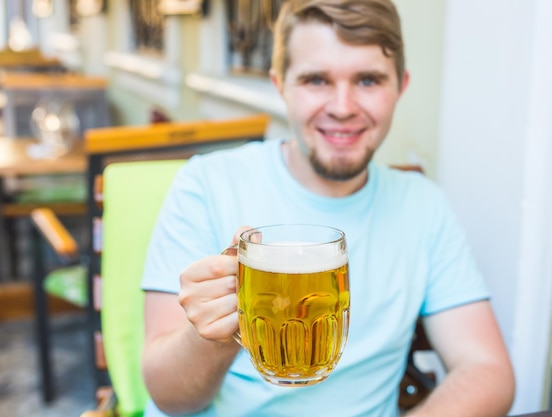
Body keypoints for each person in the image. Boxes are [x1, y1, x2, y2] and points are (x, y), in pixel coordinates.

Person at [140, 0, 515, 416]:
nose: (342, 106)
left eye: (368, 80)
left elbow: (486, 369)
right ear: (280, 84)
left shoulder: (423, 204)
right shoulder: (206, 184)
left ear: (401, 86)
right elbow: (168, 398)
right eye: (317, 80)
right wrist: (214, 334)